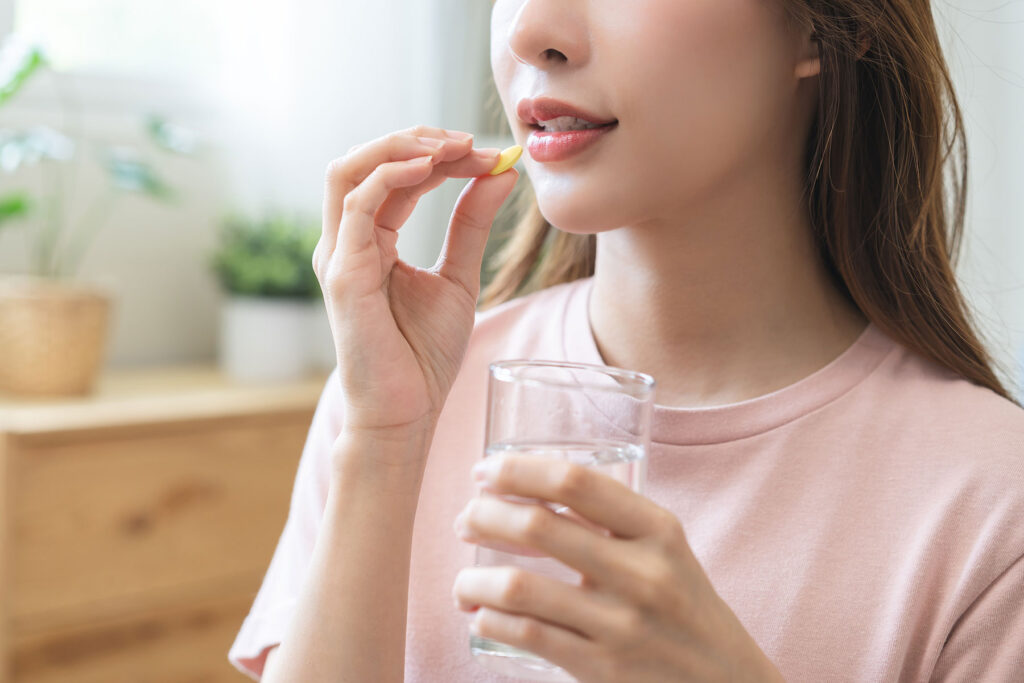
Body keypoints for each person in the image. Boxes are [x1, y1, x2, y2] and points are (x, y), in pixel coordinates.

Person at [229, 1, 1024, 681]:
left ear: (821, 31)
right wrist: (383, 444)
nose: (532, 31)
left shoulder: (995, 509)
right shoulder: (396, 393)